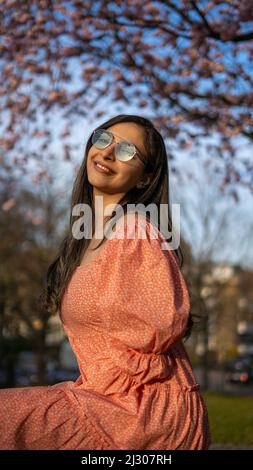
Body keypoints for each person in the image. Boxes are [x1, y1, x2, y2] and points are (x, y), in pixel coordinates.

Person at [0, 114, 211, 450]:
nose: (108, 153)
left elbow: (163, 323)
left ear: (145, 178)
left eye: (127, 151)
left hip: (142, 414)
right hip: (102, 398)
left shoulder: (136, 232)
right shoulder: (88, 238)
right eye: (103, 139)